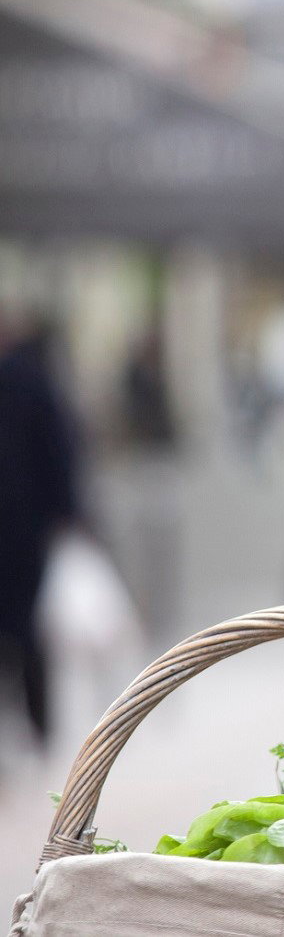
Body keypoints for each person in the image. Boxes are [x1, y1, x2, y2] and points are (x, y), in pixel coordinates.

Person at [0, 316, 82, 750]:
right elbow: (62, 449)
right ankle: (37, 725)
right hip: (26, 529)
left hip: (22, 531)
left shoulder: (28, 381)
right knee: (27, 631)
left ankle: (36, 724)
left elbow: (58, 449)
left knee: (25, 630)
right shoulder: (33, 381)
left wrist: (65, 512)